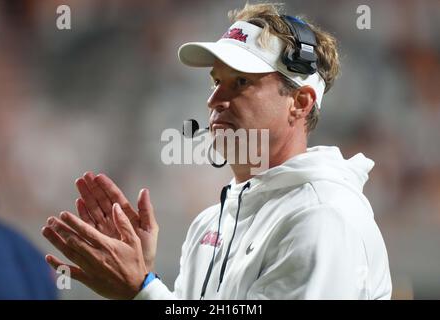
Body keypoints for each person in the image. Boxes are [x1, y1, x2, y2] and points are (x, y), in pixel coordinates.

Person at [41, 3, 392, 299]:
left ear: (300, 102)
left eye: (241, 81)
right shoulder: (211, 222)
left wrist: (143, 290)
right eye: (216, 81)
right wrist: (143, 275)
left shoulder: (322, 217)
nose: (214, 100)